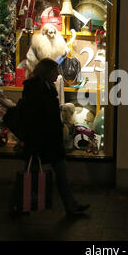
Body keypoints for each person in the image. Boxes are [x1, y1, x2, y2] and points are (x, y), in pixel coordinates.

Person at [11, 58, 89, 216]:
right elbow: (35, 115)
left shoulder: (46, 86)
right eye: (55, 71)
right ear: (47, 71)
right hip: (39, 141)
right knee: (31, 173)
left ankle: (71, 206)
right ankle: (16, 205)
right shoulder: (35, 88)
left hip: (49, 140)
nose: (58, 74)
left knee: (58, 173)